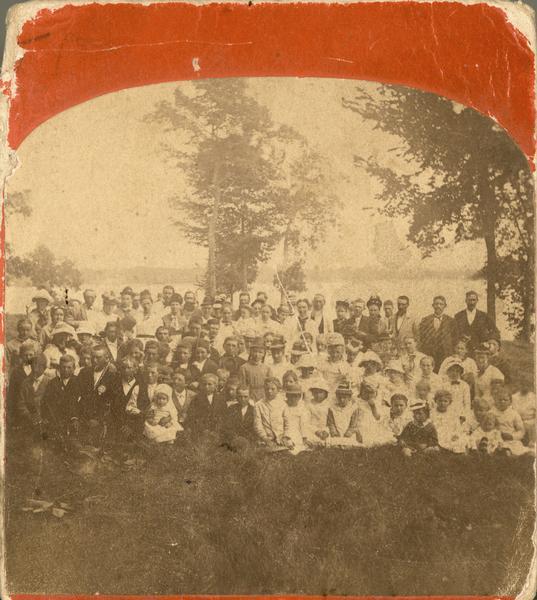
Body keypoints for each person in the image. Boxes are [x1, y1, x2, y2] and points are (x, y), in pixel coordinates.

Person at [78, 345, 119, 447]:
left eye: (98, 357)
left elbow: (114, 399)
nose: (95, 360)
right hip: (83, 414)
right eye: (93, 357)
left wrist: (99, 418)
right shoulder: (84, 372)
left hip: (102, 416)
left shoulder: (113, 375)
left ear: (107, 358)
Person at [41, 354, 81, 448]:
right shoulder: (52, 383)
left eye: (69, 367)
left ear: (74, 368)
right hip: (56, 421)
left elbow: (82, 403)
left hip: (75, 420)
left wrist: (75, 417)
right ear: (59, 368)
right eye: (63, 367)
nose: (66, 370)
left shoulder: (79, 382)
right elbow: (46, 402)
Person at [418, 296, 457, 371]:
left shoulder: (451, 321)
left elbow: (455, 339)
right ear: (433, 305)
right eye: (436, 304)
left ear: (445, 306)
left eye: (441, 304)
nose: (438, 306)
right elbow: (421, 338)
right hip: (429, 355)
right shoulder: (426, 320)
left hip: (445, 355)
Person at [17, 353, 53, 428]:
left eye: (39, 366)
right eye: (33, 365)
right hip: (28, 421)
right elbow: (21, 403)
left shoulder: (50, 383)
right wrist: (29, 416)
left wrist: (45, 418)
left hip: (45, 421)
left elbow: (52, 404)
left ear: (44, 368)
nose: (35, 369)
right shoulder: (25, 383)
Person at [492, 389, 531, 456]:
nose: (502, 402)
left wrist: (512, 436)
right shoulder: (491, 413)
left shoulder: (514, 414)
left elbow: (521, 431)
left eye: (505, 400)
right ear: (495, 401)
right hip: (495, 438)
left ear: (510, 402)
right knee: (494, 448)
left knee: (516, 449)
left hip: (510, 440)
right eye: (500, 400)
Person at [254, 378, 286, 448]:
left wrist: (285, 436)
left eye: (273, 389)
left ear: (278, 389)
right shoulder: (259, 405)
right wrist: (265, 439)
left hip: (282, 438)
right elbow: (257, 425)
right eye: (267, 389)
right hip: (266, 438)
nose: (269, 391)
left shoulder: (283, 404)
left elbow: (287, 423)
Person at [238, 337, 272, 402]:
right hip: (249, 396)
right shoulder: (244, 368)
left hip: (263, 396)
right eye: (255, 351)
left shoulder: (267, 368)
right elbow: (242, 386)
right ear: (251, 352)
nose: (257, 355)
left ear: (264, 354)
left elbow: (270, 385)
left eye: (260, 352)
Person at [282, 383, 311, 453]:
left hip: (298, 432)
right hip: (286, 432)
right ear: (287, 396)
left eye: (296, 396)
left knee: (301, 447)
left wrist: (304, 437)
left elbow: (303, 424)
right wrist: (285, 436)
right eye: (290, 396)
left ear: (299, 397)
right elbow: (284, 423)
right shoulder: (284, 407)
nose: (293, 398)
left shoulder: (302, 408)